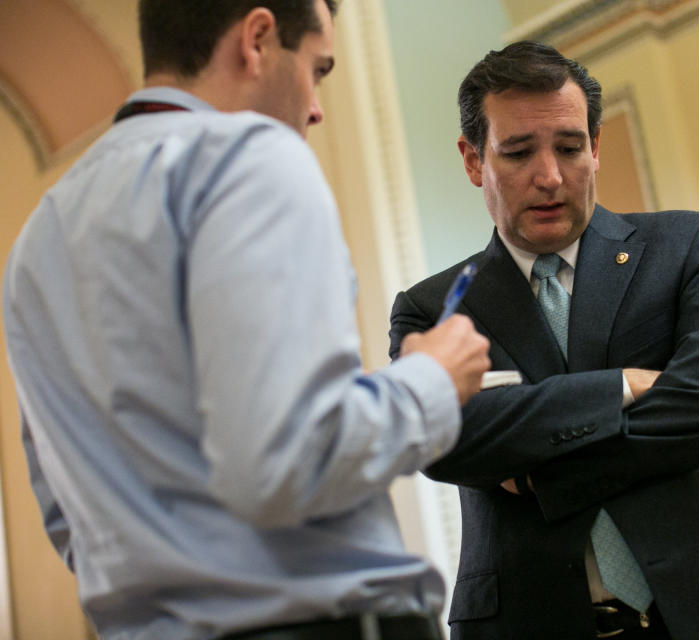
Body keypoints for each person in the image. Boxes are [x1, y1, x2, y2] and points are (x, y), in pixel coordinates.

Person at [2, 1, 491, 639]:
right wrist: (432, 380)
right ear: (257, 39)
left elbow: (69, 514)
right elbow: (287, 460)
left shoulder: (36, 239)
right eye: (318, 70)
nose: (315, 106)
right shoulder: (254, 156)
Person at [389, 41, 699, 639]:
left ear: (595, 148)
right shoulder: (432, 308)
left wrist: (542, 468)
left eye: (571, 148)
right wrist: (621, 388)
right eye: (519, 152)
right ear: (474, 161)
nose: (550, 176)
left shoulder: (687, 247)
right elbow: (444, 442)